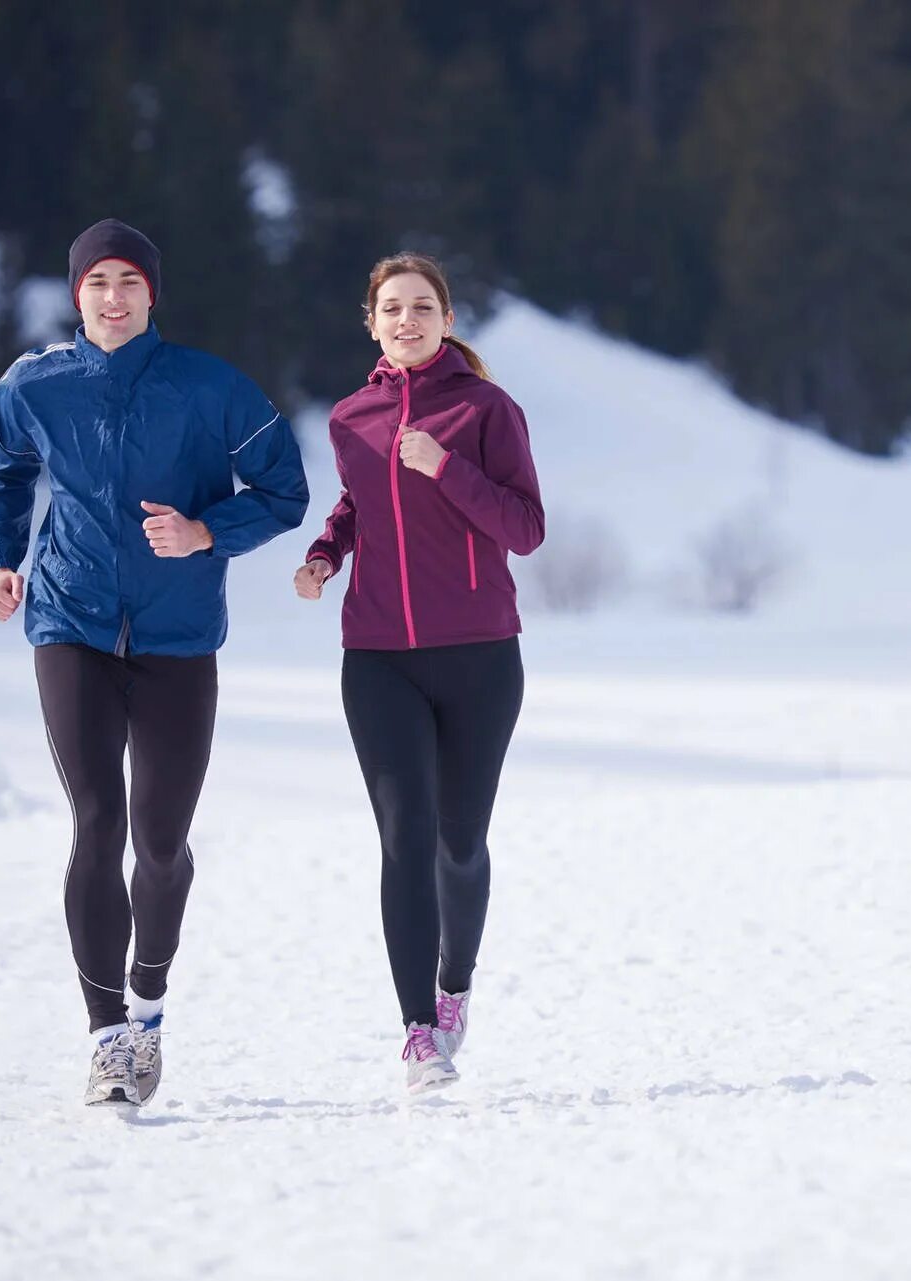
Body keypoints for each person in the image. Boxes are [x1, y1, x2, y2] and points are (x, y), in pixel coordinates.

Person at [0, 218, 308, 1106]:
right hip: (69, 623)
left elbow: (285, 490)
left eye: (129, 281)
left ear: (153, 293)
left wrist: (205, 532)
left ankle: (149, 998)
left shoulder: (210, 386)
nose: (112, 297)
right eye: (96, 282)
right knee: (95, 821)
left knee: (159, 843)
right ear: (74, 294)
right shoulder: (35, 386)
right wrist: (0, 560)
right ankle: (107, 1033)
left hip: (178, 637)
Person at [295, 252, 544, 1094]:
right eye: (392, 308)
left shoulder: (485, 409)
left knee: (458, 841)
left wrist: (447, 467)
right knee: (403, 836)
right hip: (377, 658)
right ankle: (417, 1032)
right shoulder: (350, 418)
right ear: (371, 322)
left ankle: (455, 984)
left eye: (423, 307)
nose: (407, 320)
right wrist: (327, 553)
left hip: (479, 655)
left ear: (446, 318)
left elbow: (527, 527)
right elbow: (357, 504)